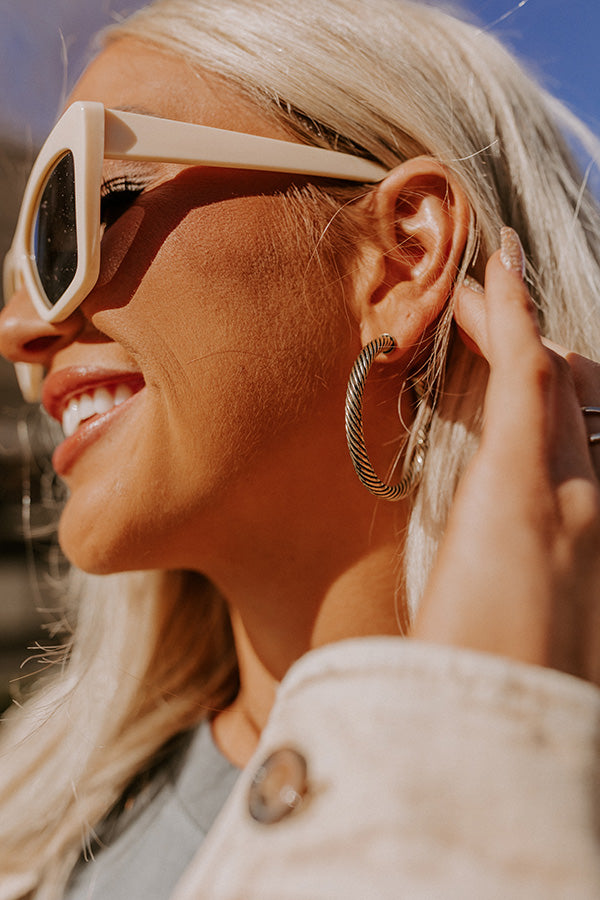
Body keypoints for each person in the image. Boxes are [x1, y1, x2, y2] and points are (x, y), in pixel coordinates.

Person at [0, 0, 599, 897]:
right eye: (23, 270)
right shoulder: (38, 833)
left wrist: (487, 739)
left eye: (68, 221)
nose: (19, 327)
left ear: (402, 255)